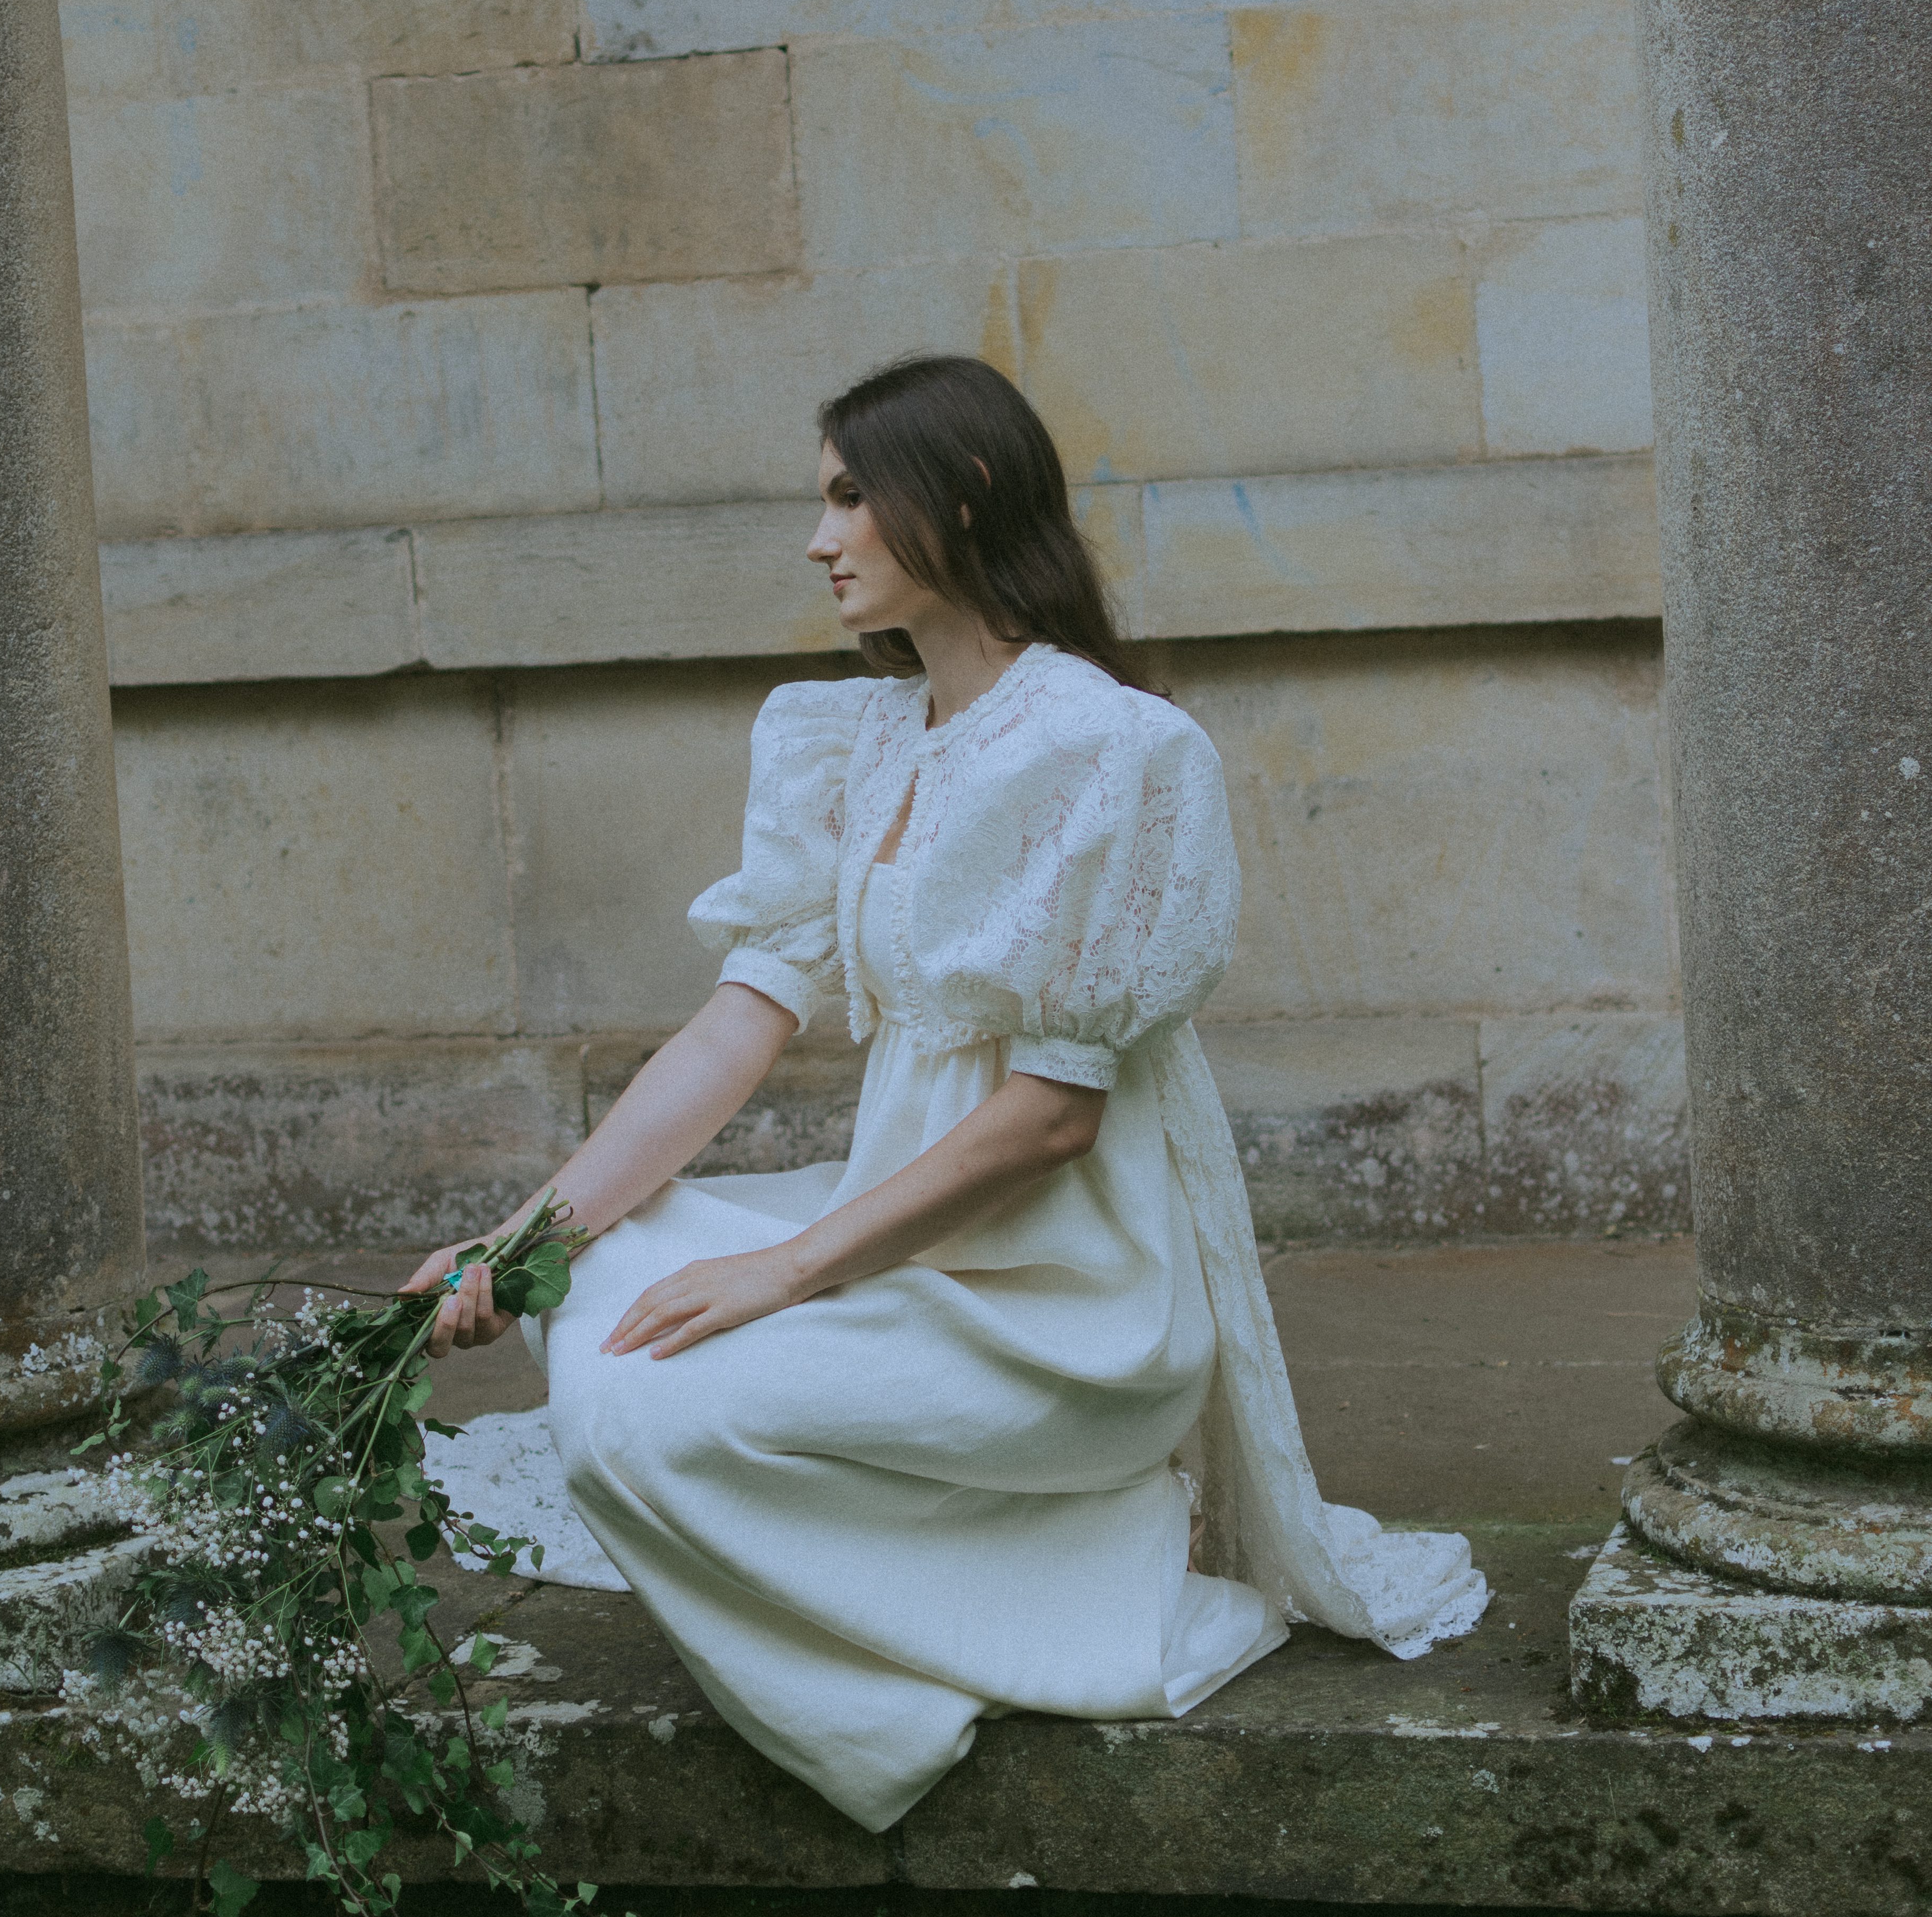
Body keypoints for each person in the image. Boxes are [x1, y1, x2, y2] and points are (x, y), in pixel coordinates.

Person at [404, 356, 1484, 1833]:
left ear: (959, 499)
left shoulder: (1113, 748)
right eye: (824, 496)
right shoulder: (847, 743)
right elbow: (737, 1026)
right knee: (594, 1307)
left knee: (634, 1424)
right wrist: (517, 1240)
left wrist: (780, 1275)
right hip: (897, 1241)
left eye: (850, 494)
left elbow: (1053, 1117)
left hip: (1070, 1301)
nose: (818, 535)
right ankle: (972, 1586)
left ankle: (901, 1713)